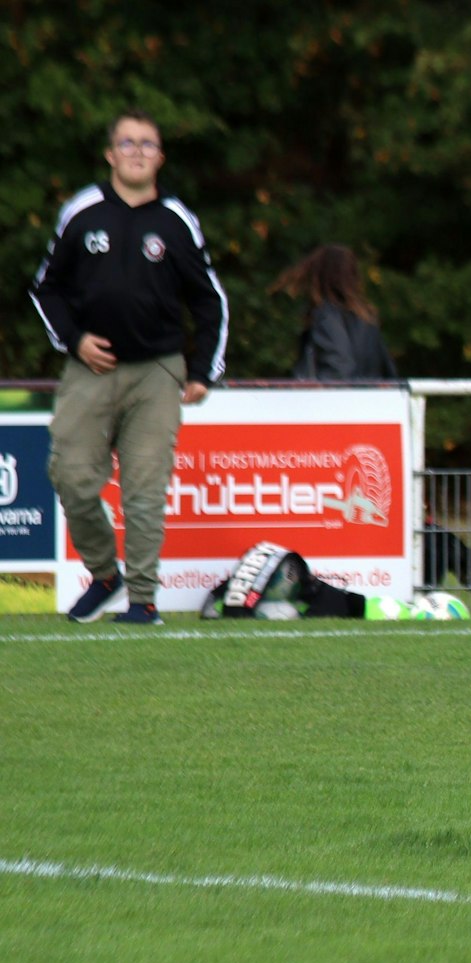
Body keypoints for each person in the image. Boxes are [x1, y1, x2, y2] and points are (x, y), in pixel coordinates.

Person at [29, 109, 230, 626]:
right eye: (127, 142)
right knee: (70, 477)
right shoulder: (83, 210)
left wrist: (203, 371)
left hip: (157, 372)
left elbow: (210, 302)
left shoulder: (176, 220)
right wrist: (74, 341)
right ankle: (104, 575)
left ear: (159, 157)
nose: (137, 151)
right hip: (89, 369)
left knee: (144, 492)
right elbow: (45, 287)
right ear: (110, 153)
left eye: (147, 144)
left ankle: (142, 601)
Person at [270, 244, 398, 381]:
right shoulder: (366, 318)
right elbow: (387, 372)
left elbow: (338, 366)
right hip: (369, 399)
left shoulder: (326, 315)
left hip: (337, 399)